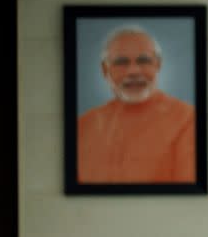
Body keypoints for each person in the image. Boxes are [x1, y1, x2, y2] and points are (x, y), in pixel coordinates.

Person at [78, 26, 196, 184]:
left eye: (144, 60)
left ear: (158, 65)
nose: (133, 71)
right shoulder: (84, 125)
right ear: (105, 70)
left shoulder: (187, 119)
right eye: (121, 62)